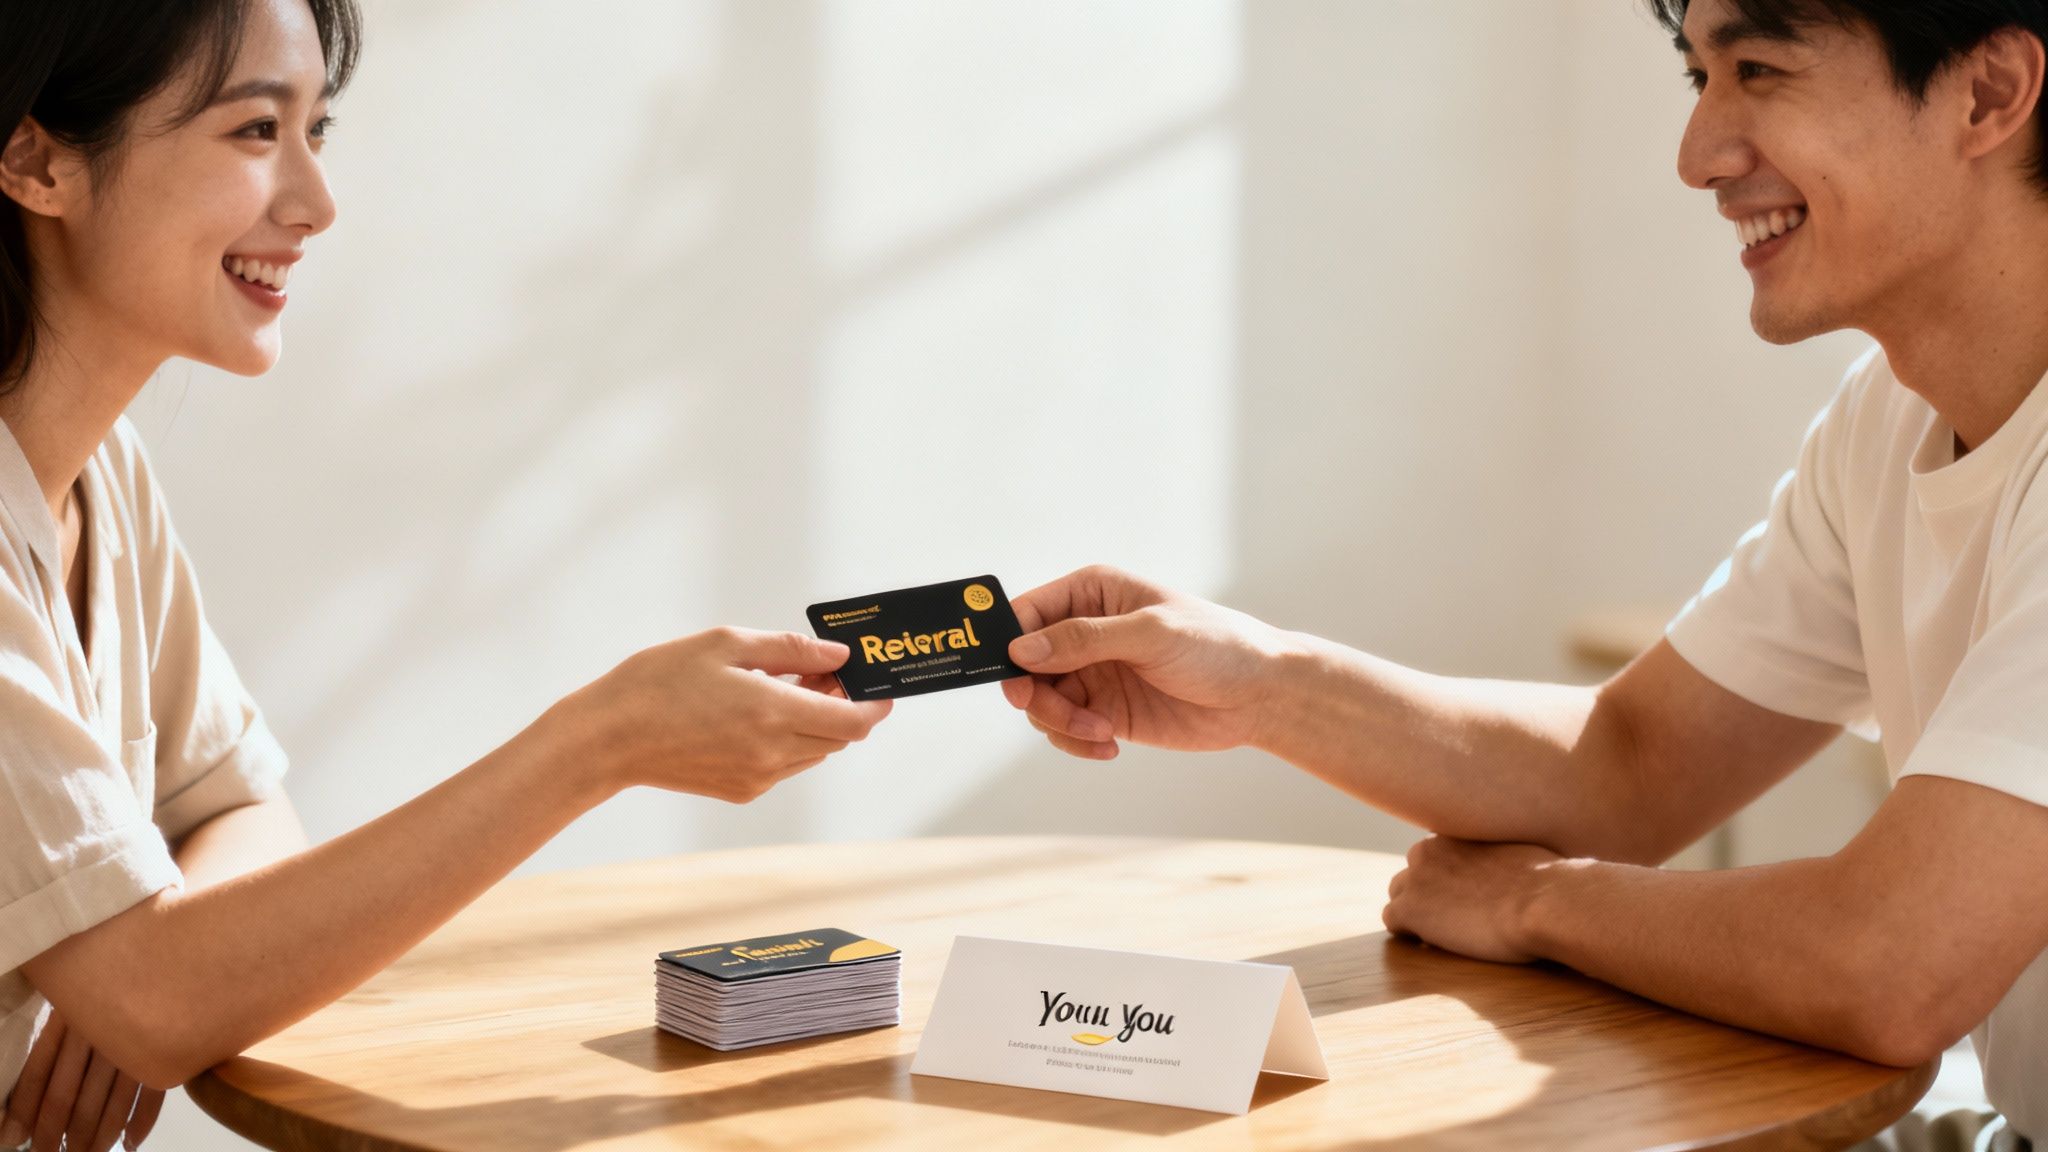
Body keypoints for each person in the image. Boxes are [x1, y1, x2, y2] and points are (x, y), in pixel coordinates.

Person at [1003, 0, 2048, 1145]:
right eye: (1696, 76)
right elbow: (1625, 766)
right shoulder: (1886, 422)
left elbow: (1887, 964)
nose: (1697, 155)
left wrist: (1540, 901)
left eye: (1756, 69)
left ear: (1987, 92)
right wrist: (1255, 679)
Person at [0, 3, 891, 1149]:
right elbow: (165, 1004)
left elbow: (237, 806)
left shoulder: (96, 473)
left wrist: (128, 947)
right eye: (253, 132)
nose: (317, 204)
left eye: (317, 129)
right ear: (37, 161)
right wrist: (600, 740)